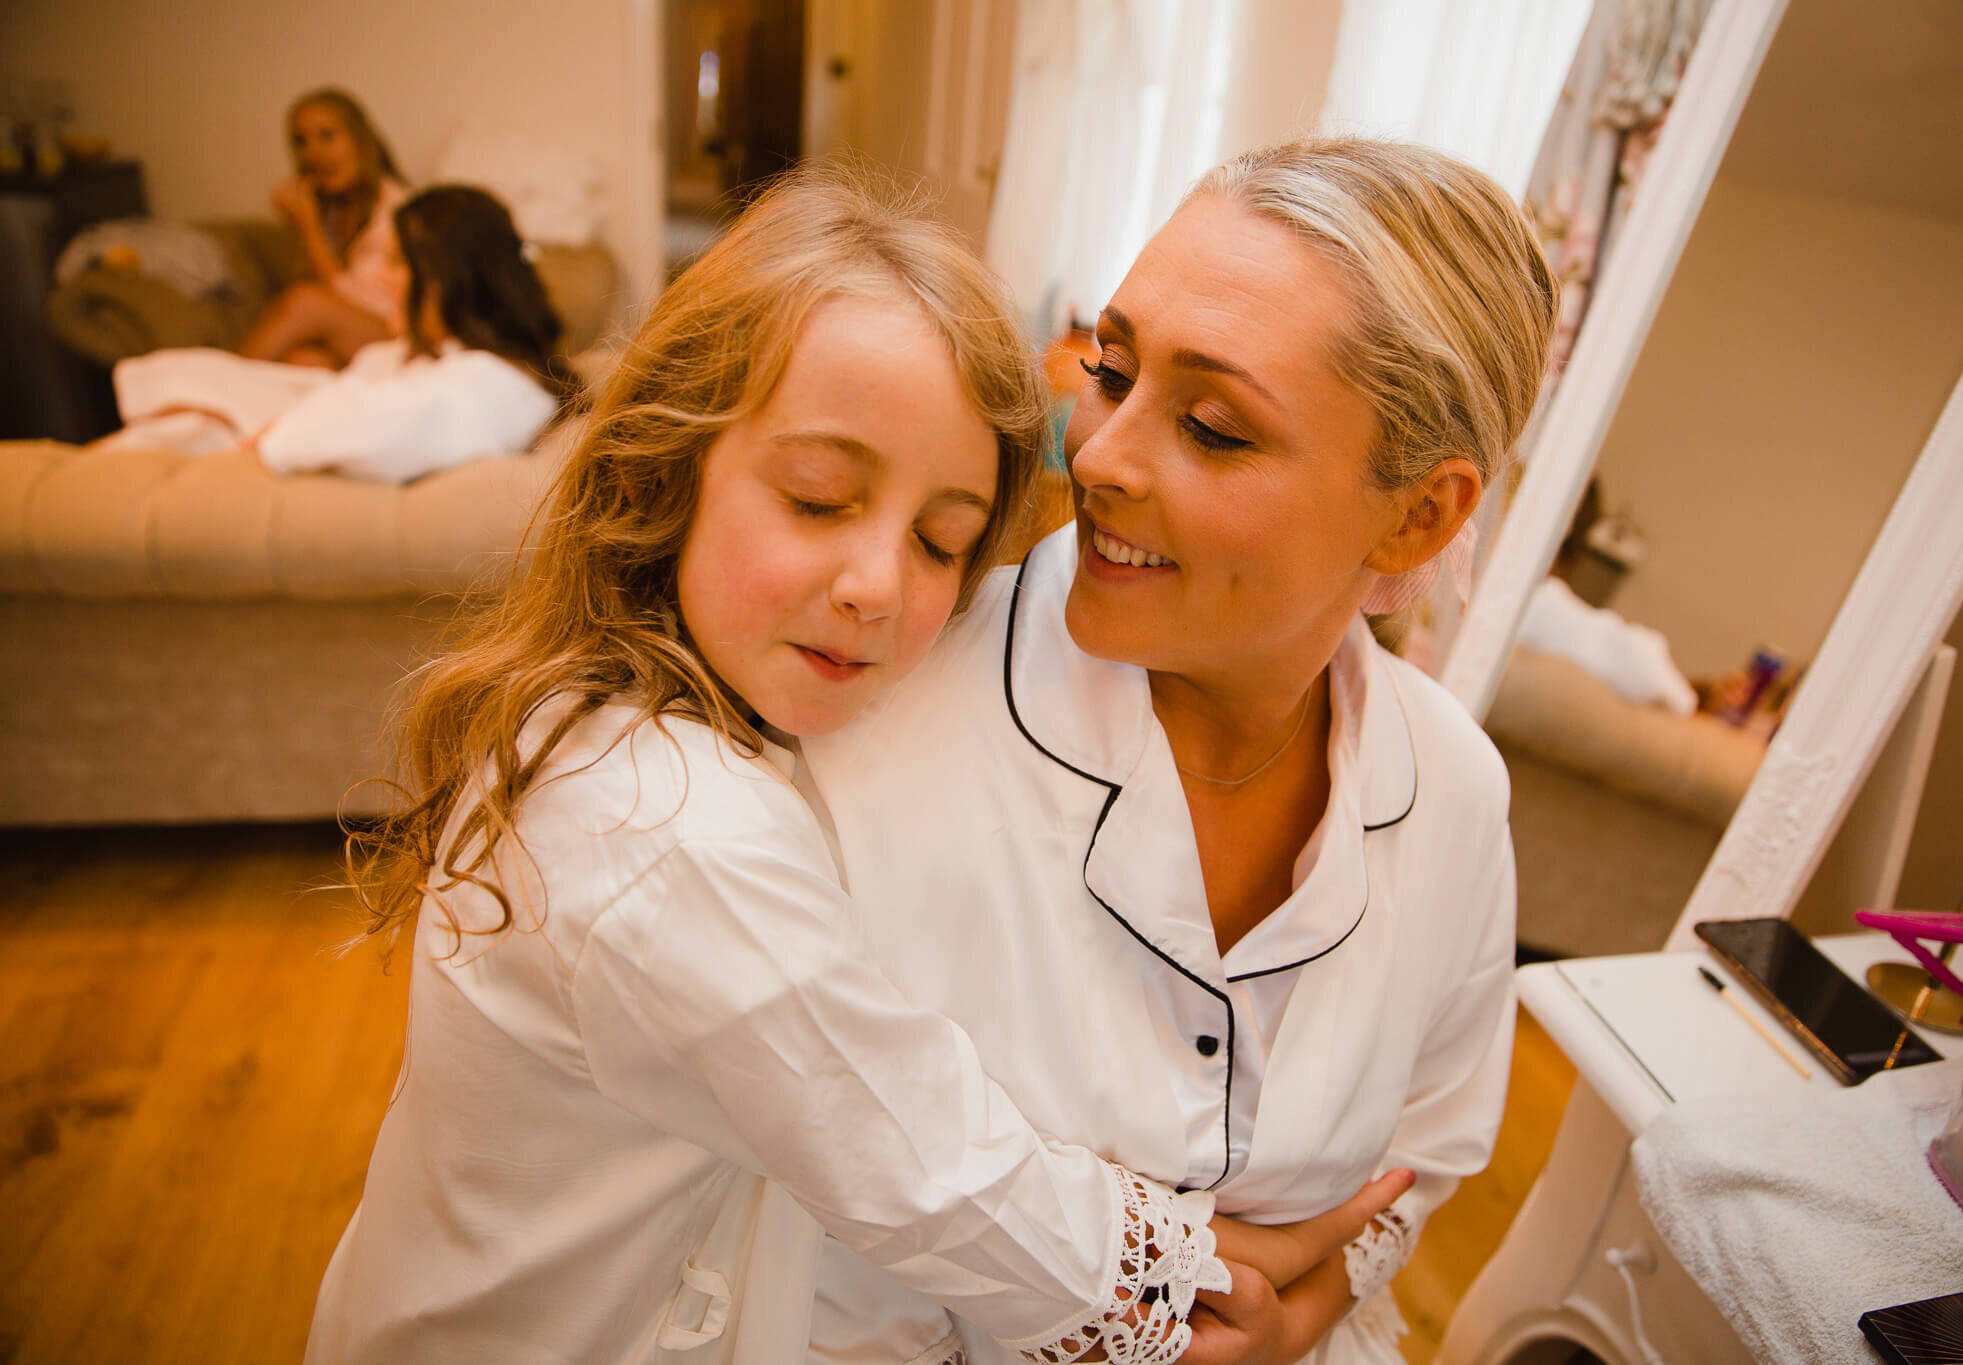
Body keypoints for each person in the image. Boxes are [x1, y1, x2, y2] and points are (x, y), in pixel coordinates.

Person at [304, 166, 1396, 1365]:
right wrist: (1228, 1284)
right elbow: (928, 1168)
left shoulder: (660, 714)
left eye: (939, 543)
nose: (879, 586)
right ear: (666, 470)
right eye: (819, 500)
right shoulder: (667, 833)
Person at [798, 136, 1559, 1362]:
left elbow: (1426, 1155)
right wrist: (1143, 1304)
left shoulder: (1454, 791)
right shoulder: (874, 725)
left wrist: (1294, 1317)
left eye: (1210, 426)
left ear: (1420, 512)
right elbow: (797, 1229)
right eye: (1110, 368)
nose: (1094, 456)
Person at [110, 185, 569, 481]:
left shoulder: (491, 383)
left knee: (184, 418)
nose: (381, 279)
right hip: (290, 418)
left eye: (394, 262)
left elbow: (381, 429)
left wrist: (269, 435)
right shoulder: (471, 363)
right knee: (192, 388)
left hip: (261, 454)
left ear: (441, 280)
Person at [238, 87, 408, 367]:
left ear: (360, 139)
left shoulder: (395, 210)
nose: (314, 153)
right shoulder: (329, 210)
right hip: (349, 341)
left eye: (327, 136)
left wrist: (309, 228)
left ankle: (214, 388)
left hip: (395, 331)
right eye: (301, 142)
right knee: (302, 360)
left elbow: (338, 299)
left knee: (305, 302)